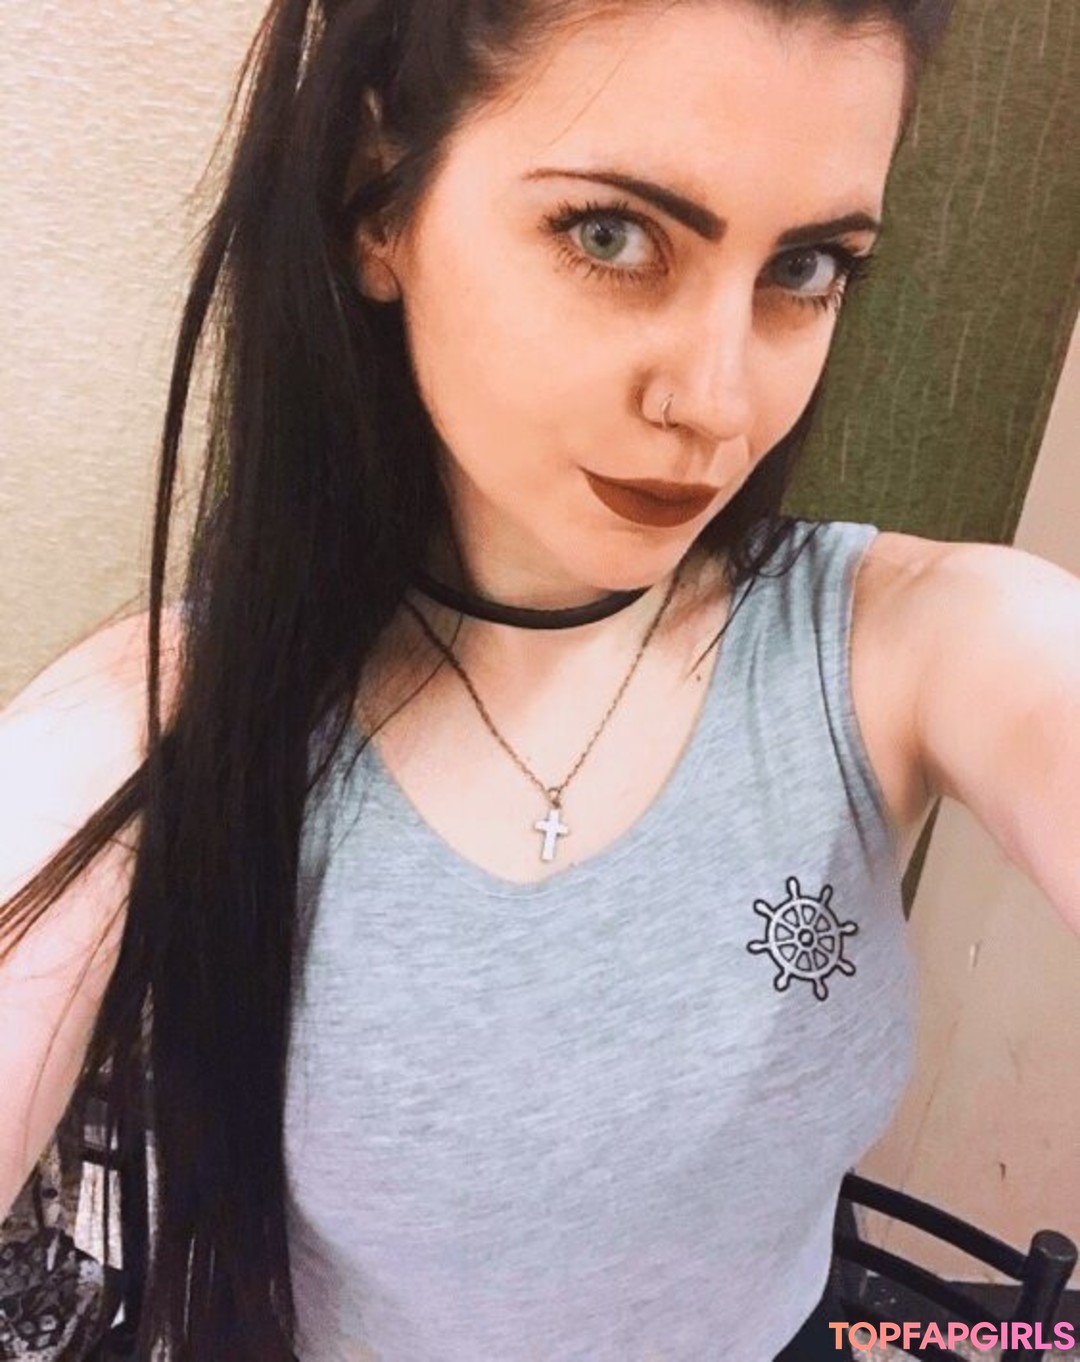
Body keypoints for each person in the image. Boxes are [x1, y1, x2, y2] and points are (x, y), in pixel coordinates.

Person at [3, 0, 1078, 1358]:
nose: (718, 401)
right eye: (612, 235)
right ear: (377, 205)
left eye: (805, 267)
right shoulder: (161, 724)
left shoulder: (900, 642)